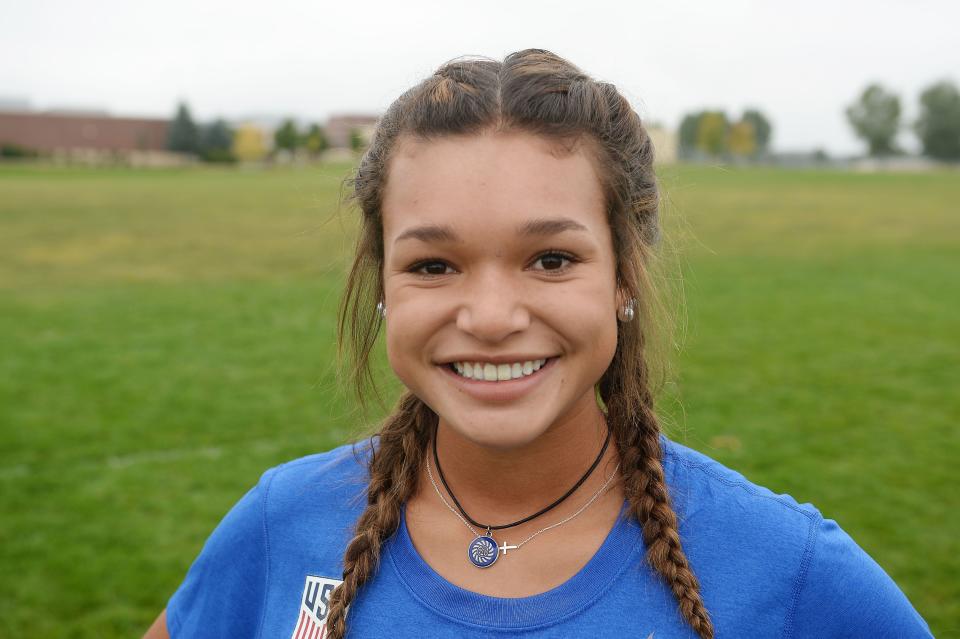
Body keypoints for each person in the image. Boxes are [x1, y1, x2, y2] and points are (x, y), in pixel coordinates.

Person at [143, 49, 932, 639]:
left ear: (623, 276)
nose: (489, 315)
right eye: (433, 264)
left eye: (551, 258)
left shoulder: (788, 571)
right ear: (382, 284)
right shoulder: (281, 527)